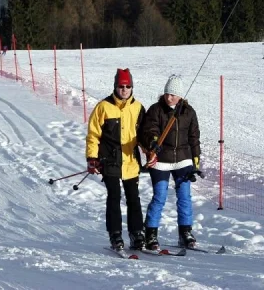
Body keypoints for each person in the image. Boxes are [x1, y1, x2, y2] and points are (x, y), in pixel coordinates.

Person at [86, 68, 146, 251]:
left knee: (133, 198)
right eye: (121, 86)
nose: (125, 89)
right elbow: (93, 135)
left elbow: (144, 135)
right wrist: (92, 158)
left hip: (131, 162)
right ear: (115, 86)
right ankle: (115, 234)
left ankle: (137, 233)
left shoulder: (138, 108)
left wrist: (150, 152)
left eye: (128, 86)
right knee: (114, 197)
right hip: (109, 161)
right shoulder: (103, 107)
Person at [140, 74, 201, 250]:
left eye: (173, 94)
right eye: (167, 93)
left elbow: (194, 137)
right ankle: (150, 235)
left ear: (180, 95)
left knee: (184, 197)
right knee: (159, 197)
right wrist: (153, 141)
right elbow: (149, 129)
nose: (169, 97)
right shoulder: (156, 110)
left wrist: (195, 160)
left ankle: (185, 233)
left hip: (183, 159)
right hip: (161, 160)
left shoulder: (188, 112)